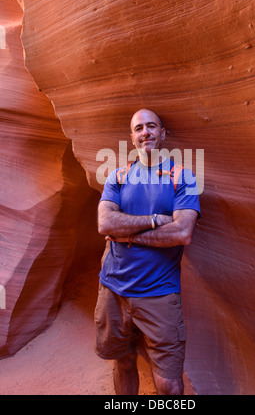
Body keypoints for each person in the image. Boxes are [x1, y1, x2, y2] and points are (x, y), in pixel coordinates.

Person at [94, 108, 200, 395]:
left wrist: (124, 236)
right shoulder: (117, 176)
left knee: (167, 380)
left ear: (162, 134)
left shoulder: (183, 177)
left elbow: (182, 233)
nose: (145, 133)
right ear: (132, 138)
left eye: (151, 127)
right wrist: (154, 221)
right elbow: (105, 223)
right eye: (139, 128)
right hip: (113, 290)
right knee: (123, 361)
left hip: (159, 294)